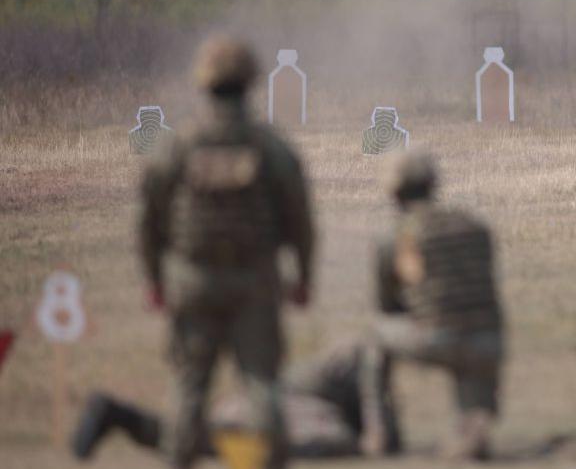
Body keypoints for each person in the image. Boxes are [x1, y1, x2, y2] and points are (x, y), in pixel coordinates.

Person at [139, 36, 315, 468]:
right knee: (261, 386)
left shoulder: (178, 146)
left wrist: (155, 280)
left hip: (192, 283)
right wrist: (304, 277)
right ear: (251, 81)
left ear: (203, 82)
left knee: (188, 386)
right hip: (255, 283)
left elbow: (151, 219)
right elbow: (299, 219)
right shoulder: (268, 146)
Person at [365, 150, 505, 460]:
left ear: (395, 193)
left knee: (374, 336)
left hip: (437, 335)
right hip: (488, 339)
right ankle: (474, 424)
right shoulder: (474, 226)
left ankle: (380, 431)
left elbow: (386, 303)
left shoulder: (396, 236)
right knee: (472, 350)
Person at [71, 337, 400, 460]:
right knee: (212, 442)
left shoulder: (330, 411)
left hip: (254, 408)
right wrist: (377, 429)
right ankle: (125, 418)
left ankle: (124, 417)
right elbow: (368, 355)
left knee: (205, 441)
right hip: (267, 409)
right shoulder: (338, 378)